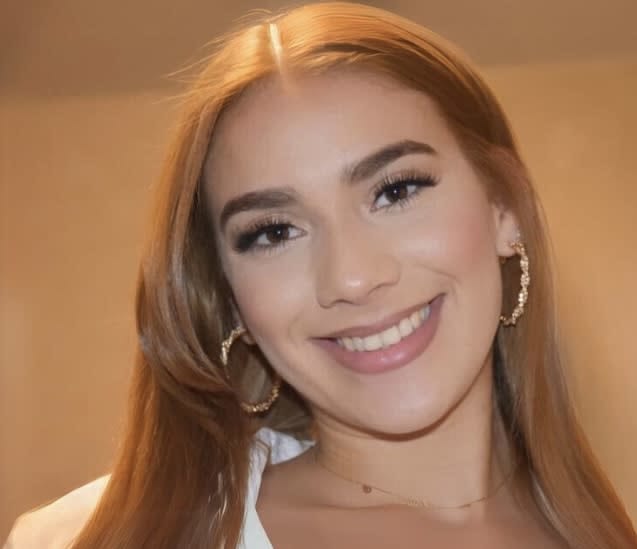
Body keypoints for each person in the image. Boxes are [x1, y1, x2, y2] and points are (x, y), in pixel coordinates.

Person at [5, 2, 636, 548]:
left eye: (395, 190)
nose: (352, 278)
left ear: (504, 206)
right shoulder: (103, 537)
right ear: (230, 297)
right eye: (274, 232)